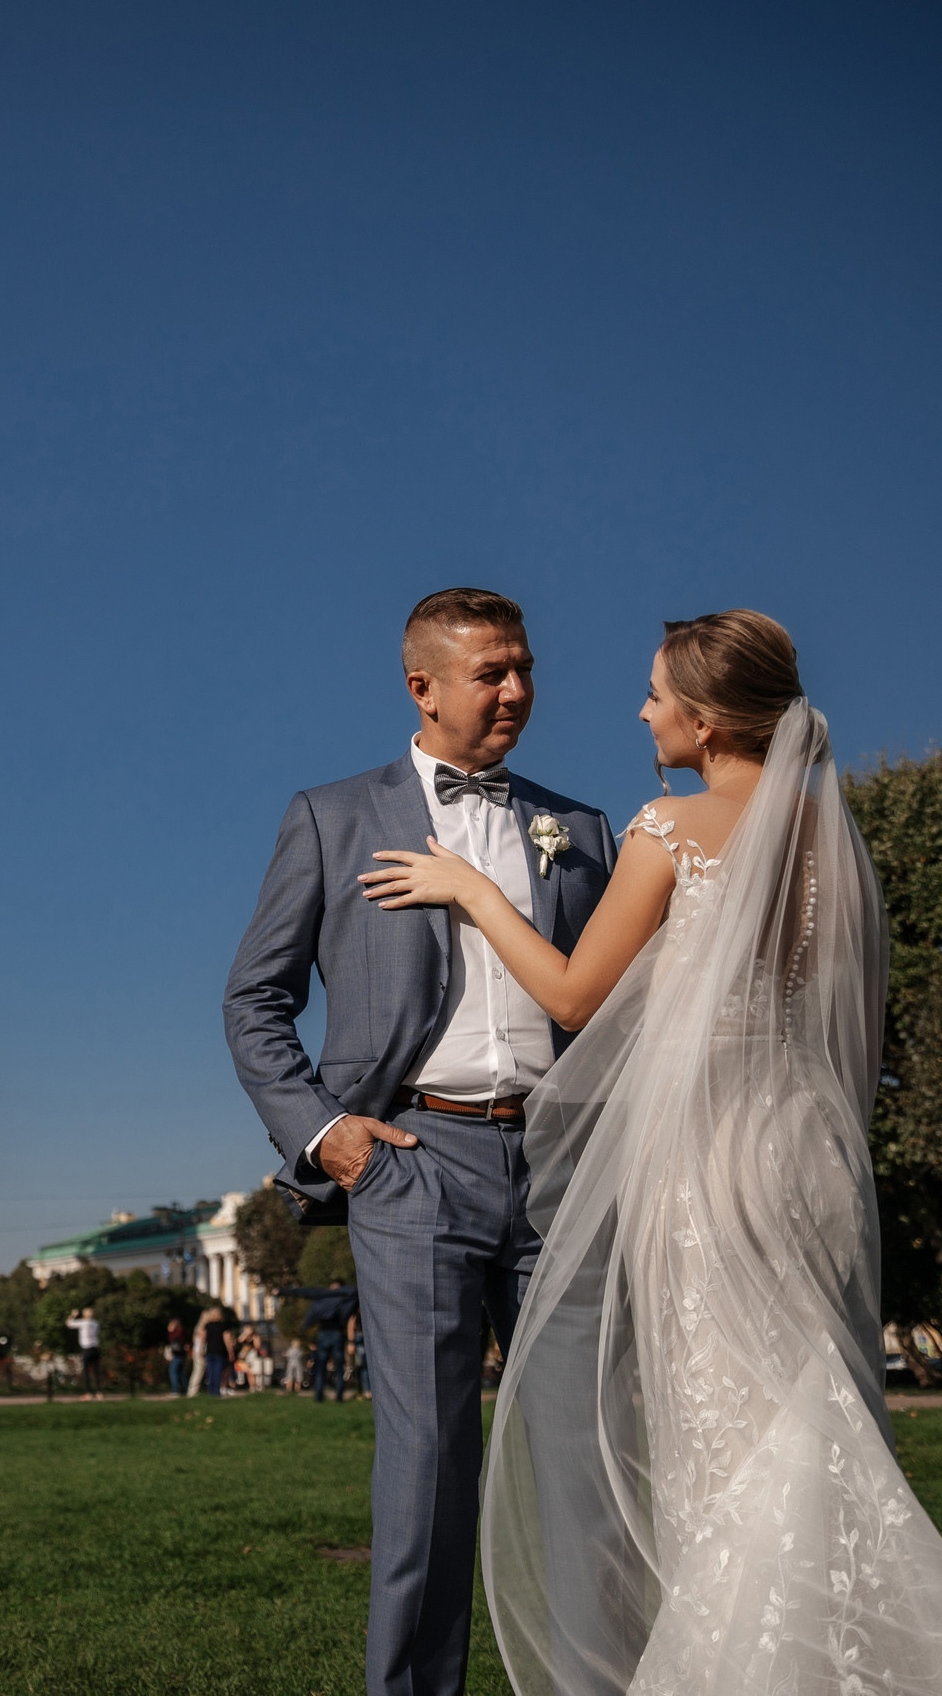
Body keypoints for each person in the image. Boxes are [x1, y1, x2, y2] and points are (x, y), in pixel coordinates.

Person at [360, 612, 942, 1693]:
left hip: (711, 1157)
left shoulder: (669, 826)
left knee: (721, 1419)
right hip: (808, 1148)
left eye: (655, 696)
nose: (642, 713)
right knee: (808, 1400)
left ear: (708, 719)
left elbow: (575, 996)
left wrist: (474, 893)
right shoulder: (829, 838)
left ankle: (750, 1662)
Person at [225, 588, 617, 1696]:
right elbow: (254, 1000)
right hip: (412, 1163)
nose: (516, 690)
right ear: (423, 688)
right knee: (428, 1467)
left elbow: (611, 999)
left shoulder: (581, 830)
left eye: (525, 668)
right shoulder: (330, 816)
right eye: (491, 672)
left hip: (559, 1167)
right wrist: (326, 1134)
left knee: (582, 1459)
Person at [280, 1279, 360, 1403]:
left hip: (325, 1333)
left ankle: (319, 1395)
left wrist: (283, 1291)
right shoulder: (345, 1299)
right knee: (338, 1365)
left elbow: (307, 1294)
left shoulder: (324, 1298)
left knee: (321, 1365)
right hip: (336, 1333)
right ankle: (337, 1395)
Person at [64, 1306, 104, 1399]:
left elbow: (68, 1323)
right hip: (95, 1348)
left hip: (86, 1348)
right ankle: (99, 1393)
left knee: (86, 1372)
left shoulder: (83, 1322)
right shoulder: (96, 1323)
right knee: (96, 1371)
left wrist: (73, 1315)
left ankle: (88, 1393)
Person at [163, 1318, 190, 1397]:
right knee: (180, 1373)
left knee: (173, 1372)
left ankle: (175, 1390)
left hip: (177, 1355)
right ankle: (184, 1389)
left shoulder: (176, 1334)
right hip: (181, 1355)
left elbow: (175, 1345)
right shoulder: (181, 1333)